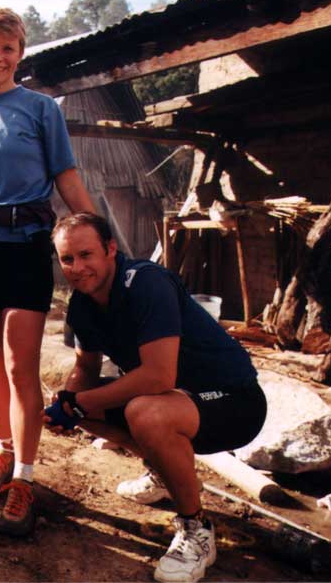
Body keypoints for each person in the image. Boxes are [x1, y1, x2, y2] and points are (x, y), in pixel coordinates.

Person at [46, 212, 267, 583]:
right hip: (177, 400)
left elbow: (158, 375)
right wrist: (66, 404)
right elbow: (85, 368)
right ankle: (166, 473)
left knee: (144, 412)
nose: (77, 267)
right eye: (67, 259)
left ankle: (196, 529)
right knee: (76, 399)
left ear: (111, 250)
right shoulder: (82, 305)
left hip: (234, 400)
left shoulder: (146, 283)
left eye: (86, 255)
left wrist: (85, 402)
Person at [0, 7, 95, 536]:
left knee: (19, 365)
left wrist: (101, 234)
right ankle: (3, 452)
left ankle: (25, 476)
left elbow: (67, 178)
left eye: (7, 49)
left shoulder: (40, 109)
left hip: (28, 245)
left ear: (20, 54)